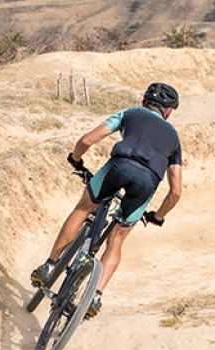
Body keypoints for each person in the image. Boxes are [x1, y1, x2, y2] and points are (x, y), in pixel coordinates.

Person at [30, 82, 183, 318]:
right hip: (147, 182)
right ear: (169, 112)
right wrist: (157, 216)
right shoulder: (173, 138)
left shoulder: (130, 113)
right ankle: (96, 296)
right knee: (117, 240)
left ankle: (50, 265)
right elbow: (175, 192)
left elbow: (88, 140)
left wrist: (76, 159)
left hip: (119, 165)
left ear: (144, 102)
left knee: (83, 209)